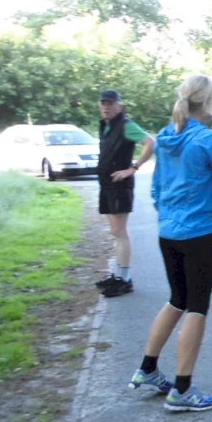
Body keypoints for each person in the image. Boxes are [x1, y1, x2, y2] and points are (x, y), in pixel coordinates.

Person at [127, 74, 212, 412]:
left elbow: (157, 187)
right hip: (196, 235)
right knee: (196, 306)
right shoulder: (207, 140)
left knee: (177, 300)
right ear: (210, 103)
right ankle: (182, 390)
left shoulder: (167, 135)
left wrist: (166, 214)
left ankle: (147, 370)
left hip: (168, 232)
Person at [94, 90, 156, 298]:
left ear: (120, 105)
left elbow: (150, 142)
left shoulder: (126, 125)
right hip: (107, 184)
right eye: (103, 103)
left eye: (110, 104)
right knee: (115, 232)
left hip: (120, 185)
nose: (106, 107)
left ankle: (124, 279)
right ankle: (119, 274)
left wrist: (133, 168)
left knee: (120, 232)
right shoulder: (106, 125)